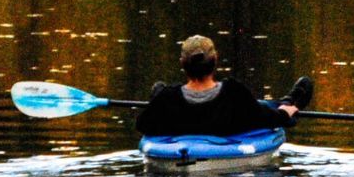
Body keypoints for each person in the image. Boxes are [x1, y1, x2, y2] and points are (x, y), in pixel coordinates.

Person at [135, 35, 314, 137]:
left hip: (174, 124)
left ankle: (285, 101)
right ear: (215, 60)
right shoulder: (234, 93)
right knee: (264, 106)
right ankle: (288, 102)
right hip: (229, 144)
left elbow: (142, 125)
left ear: (183, 63)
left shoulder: (168, 97)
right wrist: (286, 113)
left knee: (159, 90)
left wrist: (158, 101)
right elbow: (268, 119)